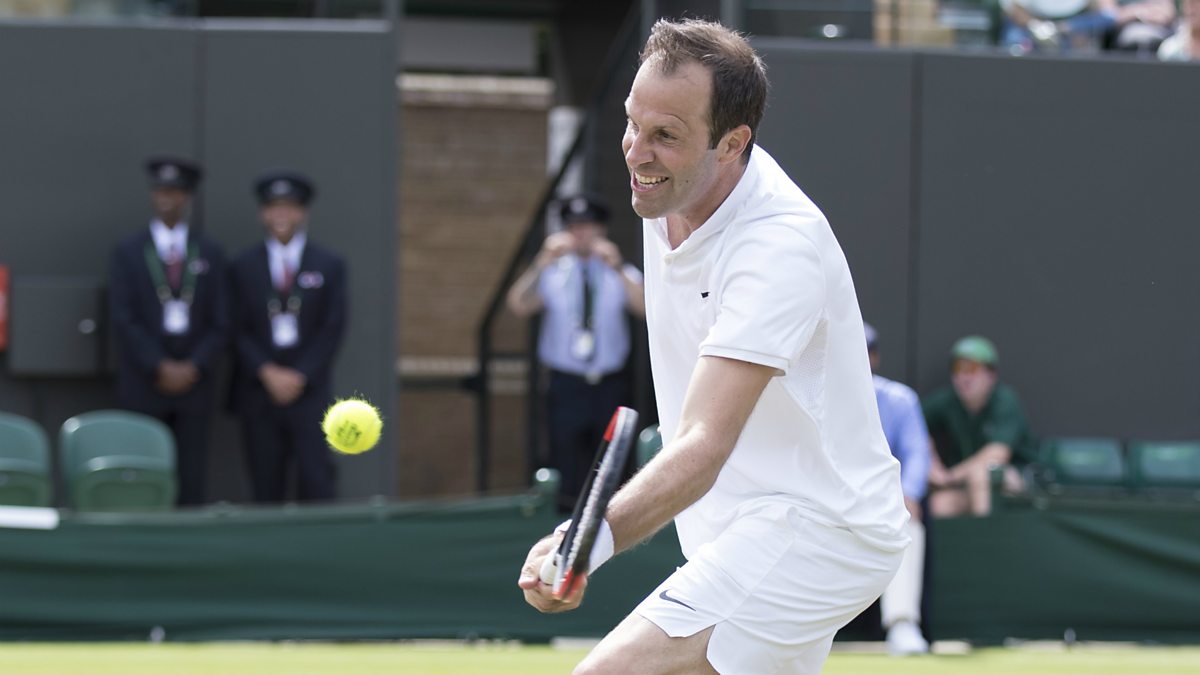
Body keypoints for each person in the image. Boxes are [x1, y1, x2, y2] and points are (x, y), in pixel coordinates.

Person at [517, 19, 909, 674]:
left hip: (817, 529)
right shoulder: (667, 194)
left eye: (666, 136)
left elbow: (704, 441)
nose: (637, 152)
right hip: (730, 530)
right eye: (632, 123)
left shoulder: (777, 246)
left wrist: (585, 539)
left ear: (732, 144)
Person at [505, 194, 645, 512]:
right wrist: (541, 261)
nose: (581, 234)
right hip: (566, 384)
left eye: (588, 227)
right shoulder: (554, 271)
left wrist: (618, 266)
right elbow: (519, 304)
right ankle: (564, 523)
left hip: (609, 383)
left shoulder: (616, 270)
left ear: (601, 230)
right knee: (565, 458)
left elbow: (644, 308)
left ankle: (610, 520)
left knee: (610, 464)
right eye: (574, 228)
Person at [108, 156, 228, 506]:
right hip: (143, 380)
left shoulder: (209, 251)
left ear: (187, 197)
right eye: (160, 191)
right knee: (142, 470)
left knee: (191, 475)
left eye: (174, 192)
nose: (166, 198)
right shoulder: (129, 251)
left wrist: (194, 366)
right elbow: (123, 317)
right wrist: (157, 364)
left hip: (195, 384)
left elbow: (222, 320)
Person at [228, 170, 347, 503]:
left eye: (289, 207)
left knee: (316, 481)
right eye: (274, 207)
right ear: (262, 213)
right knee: (265, 484)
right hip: (259, 393)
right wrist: (267, 372)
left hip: (309, 392)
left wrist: (300, 375)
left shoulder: (329, 264)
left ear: (302, 213)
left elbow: (332, 327)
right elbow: (235, 327)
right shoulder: (243, 265)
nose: (281, 215)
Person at [864, 324, 931, 656]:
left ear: (874, 357)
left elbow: (917, 454)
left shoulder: (900, 399)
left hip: (884, 503)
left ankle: (902, 624)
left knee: (907, 521)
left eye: (864, 352)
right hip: (826, 502)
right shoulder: (816, 394)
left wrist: (909, 493)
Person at [923, 335, 1036, 518]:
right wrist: (930, 462)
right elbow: (913, 426)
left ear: (991, 375)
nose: (964, 377)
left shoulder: (1005, 401)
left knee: (980, 474)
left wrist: (950, 476)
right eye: (958, 369)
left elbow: (997, 454)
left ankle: (987, 536)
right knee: (939, 505)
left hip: (1014, 481)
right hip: (965, 485)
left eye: (973, 369)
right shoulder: (948, 400)